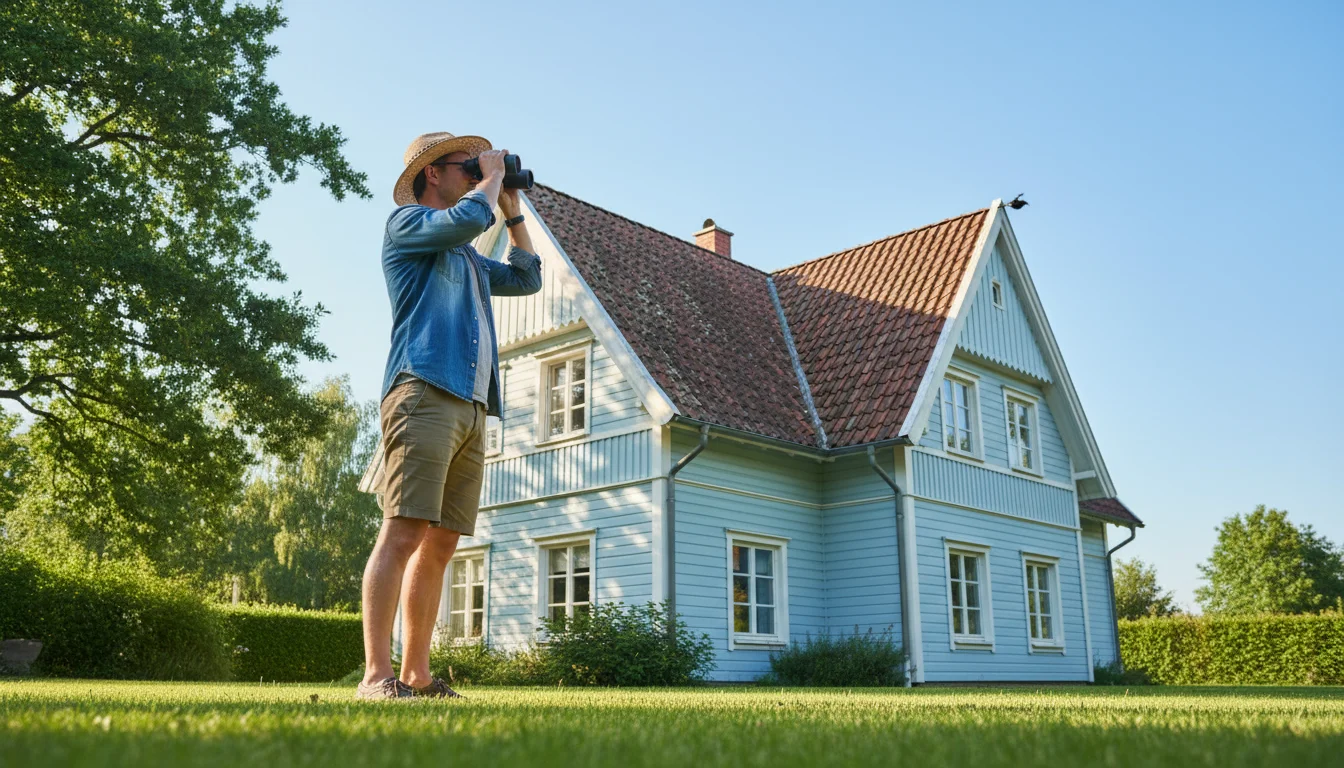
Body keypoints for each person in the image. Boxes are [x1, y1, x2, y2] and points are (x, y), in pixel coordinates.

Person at [356, 132, 543, 700]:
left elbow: (528, 276)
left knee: (441, 543)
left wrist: (511, 212)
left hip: (471, 401)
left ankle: (416, 674)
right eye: (465, 166)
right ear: (432, 174)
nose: (475, 172)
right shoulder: (407, 226)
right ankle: (375, 676)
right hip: (423, 390)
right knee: (404, 530)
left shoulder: (467, 254)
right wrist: (488, 182)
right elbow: (461, 221)